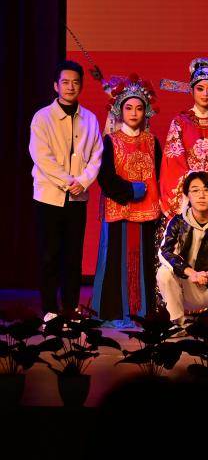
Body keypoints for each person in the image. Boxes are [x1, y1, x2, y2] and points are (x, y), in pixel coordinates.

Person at [29, 60, 104, 321]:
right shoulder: (42, 118)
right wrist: (68, 181)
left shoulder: (90, 119)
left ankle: (70, 309)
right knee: (49, 255)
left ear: (81, 86)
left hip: (77, 198)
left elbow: (97, 155)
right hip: (48, 197)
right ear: (55, 86)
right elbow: (41, 156)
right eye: (65, 82)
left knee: (73, 257)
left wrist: (83, 181)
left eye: (75, 82)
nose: (70, 87)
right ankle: (50, 310)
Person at [92, 75, 161, 325]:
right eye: (129, 107)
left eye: (139, 108)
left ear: (146, 111)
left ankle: (144, 312)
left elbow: (160, 174)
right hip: (119, 209)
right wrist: (132, 190)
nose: (134, 113)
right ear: (120, 110)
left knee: (145, 263)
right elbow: (105, 177)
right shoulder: (111, 140)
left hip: (147, 212)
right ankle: (114, 313)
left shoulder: (152, 142)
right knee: (116, 262)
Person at [156, 171, 208, 325]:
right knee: (163, 273)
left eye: (206, 190)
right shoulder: (178, 222)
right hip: (186, 285)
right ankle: (178, 323)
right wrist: (191, 273)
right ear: (187, 195)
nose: (201, 195)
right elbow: (165, 252)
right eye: (195, 190)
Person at [159, 58, 208, 217]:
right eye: (200, 89)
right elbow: (173, 162)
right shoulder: (180, 122)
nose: (205, 94)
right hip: (190, 194)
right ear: (192, 91)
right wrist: (194, 186)